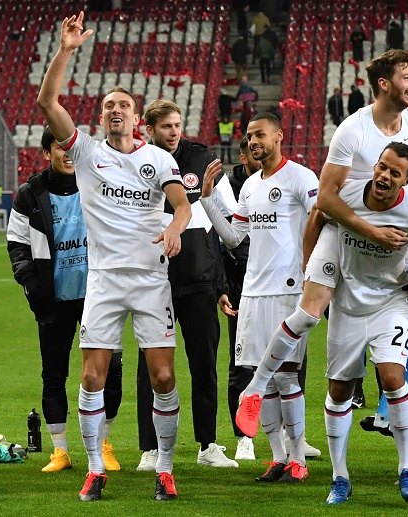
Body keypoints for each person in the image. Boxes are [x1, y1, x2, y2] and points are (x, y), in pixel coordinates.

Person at [231, 49, 408, 447]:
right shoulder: (352, 129)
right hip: (343, 230)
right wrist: (368, 231)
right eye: (406, 76)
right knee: (308, 313)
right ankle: (253, 390)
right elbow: (325, 199)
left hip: (394, 230)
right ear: (384, 84)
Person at [37, 11, 192, 502]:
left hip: (150, 279)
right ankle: (93, 468)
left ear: (136, 116)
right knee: (90, 375)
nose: (115, 110)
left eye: (123, 104)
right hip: (103, 279)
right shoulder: (85, 152)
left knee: (163, 376)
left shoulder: (157, 158)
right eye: (108, 106)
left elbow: (182, 205)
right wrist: (66, 50)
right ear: (102, 117)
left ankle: (164, 468)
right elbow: (47, 101)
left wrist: (174, 226)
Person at [320, 143, 408, 504]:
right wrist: (313, 272)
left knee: (393, 379)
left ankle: (407, 469)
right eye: (382, 166)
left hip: (390, 303)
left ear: (406, 181)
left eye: (394, 173)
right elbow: (320, 210)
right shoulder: (347, 191)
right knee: (339, 390)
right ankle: (339, 477)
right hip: (346, 304)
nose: (384, 175)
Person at [199, 112, 319, 483]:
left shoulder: (301, 178)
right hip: (252, 291)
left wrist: (312, 271)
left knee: (286, 375)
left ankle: (297, 457)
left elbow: (322, 222)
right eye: (250, 136)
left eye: (260, 134)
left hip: (288, 290)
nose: (253, 141)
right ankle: (278, 457)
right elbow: (234, 236)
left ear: (279, 135)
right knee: (260, 377)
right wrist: (207, 200)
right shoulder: (250, 185)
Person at [7, 127, 123, 474]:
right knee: (54, 375)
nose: (67, 154)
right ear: (47, 153)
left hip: (98, 297)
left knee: (110, 372)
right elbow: (17, 244)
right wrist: (31, 285)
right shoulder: (30, 194)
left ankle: (104, 444)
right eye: (59, 148)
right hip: (53, 299)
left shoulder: (98, 183)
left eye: (70, 147)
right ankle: (60, 451)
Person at [135, 99, 239, 471]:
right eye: (166, 126)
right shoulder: (137, 163)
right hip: (155, 282)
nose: (174, 132)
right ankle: (150, 448)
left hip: (200, 280)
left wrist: (222, 284)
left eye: (177, 125)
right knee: (151, 368)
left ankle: (207, 444)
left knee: (204, 364)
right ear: (149, 130)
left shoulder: (202, 159)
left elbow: (227, 222)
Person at [222, 136, 261, 461]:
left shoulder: (284, 184)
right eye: (255, 151)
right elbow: (221, 240)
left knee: (291, 363)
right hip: (240, 286)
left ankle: (293, 436)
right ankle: (243, 437)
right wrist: (222, 286)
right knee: (242, 364)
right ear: (244, 157)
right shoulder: (228, 190)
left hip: (279, 284)